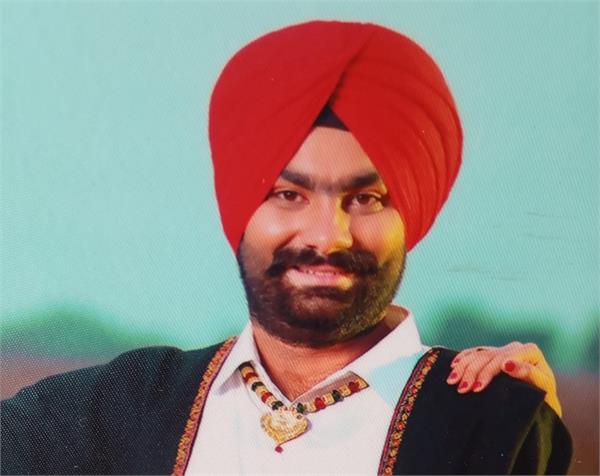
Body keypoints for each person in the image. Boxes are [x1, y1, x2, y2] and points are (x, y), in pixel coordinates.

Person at [0, 20, 571, 475]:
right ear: (239, 209)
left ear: (410, 216)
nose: (327, 235)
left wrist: (527, 431)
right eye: (288, 194)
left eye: (366, 198)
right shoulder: (123, 409)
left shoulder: (485, 422)